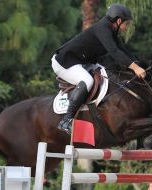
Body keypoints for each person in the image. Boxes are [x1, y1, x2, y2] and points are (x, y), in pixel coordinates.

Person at [51, 3, 147, 134]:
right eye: (126, 23)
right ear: (118, 21)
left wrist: (140, 65)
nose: (127, 27)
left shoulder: (111, 30)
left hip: (83, 62)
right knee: (87, 81)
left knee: (107, 75)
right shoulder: (103, 29)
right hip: (65, 63)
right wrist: (135, 68)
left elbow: (123, 50)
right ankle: (66, 120)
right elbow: (114, 52)